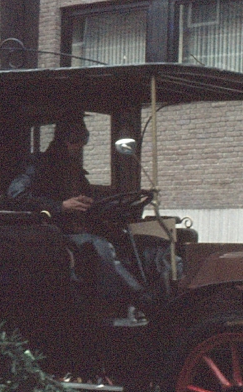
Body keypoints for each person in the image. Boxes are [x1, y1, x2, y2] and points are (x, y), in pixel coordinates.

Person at [8, 118, 152, 321]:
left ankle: (139, 300)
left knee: (135, 242)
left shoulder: (74, 169)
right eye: (76, 142)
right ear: (65, 140)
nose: (80, 148)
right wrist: (61, 206)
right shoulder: (38, 165)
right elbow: (16, 195)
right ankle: (135, 300)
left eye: (82, 142)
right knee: (100, 245)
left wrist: (94, 203)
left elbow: (89, 198)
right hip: (52, 233)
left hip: (80, 228)